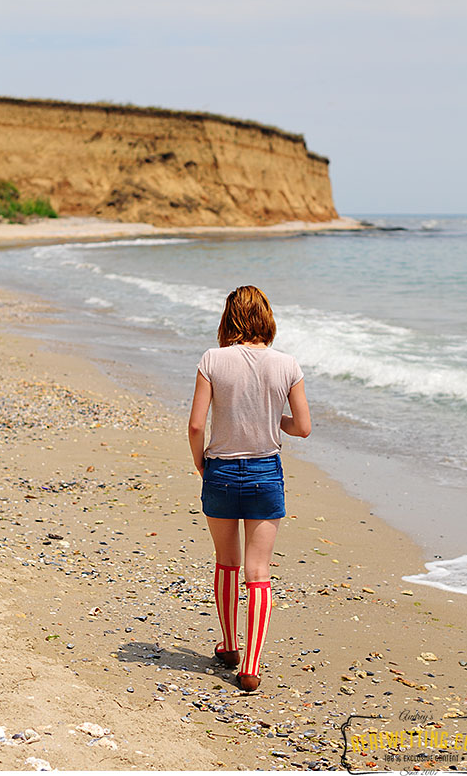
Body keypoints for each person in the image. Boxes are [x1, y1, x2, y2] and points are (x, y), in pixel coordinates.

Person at [188, 285, 311, 692]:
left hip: (221, 469)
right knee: (259, 572)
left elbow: (196, 425)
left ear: (229, 319)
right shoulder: (287, 364)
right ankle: (252, 667)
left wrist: (200, 461)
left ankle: (228, 644)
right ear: (266, 319)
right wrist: (273, 420)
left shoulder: (213, 359)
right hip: (265, 472)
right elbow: (303, 427)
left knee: (226, 560)